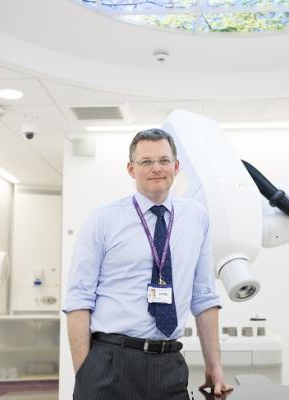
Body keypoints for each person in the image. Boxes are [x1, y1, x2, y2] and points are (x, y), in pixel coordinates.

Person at [64, 128, 233, 400]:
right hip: (110, 361)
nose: (156, 168)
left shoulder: (196, 218)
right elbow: (78, 299)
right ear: (131, 169)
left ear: (176, 167)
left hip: (169, 364)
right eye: (146, 162)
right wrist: (85, 374)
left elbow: (204, 296)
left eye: (164, 160)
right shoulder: (102, 220)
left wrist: (215, 365)